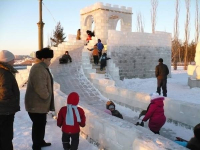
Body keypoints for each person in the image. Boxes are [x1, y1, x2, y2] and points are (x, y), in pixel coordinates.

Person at [25, 48, 55, 150]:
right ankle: (36, 145)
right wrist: (47, 96)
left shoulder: (41, 67)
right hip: (36, 105)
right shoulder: (39, 69)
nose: (50, 62)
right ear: (43, 59)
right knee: (38, 126)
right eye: (49, 59)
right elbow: (40, 88)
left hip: (39, 105)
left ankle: (40, 142)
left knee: (41, 125)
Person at [0, 50, 20, 150]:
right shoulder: (4, 73)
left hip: (3, 110)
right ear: (6, 61)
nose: (14, 61)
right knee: (6, 137)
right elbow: (5, 92)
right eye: (13, 59)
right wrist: (13, 100)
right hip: (5, 110)